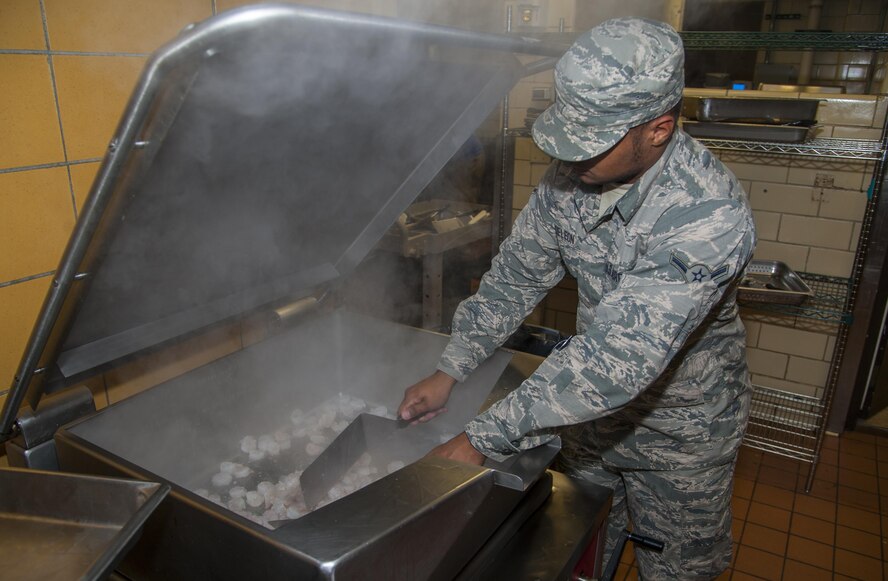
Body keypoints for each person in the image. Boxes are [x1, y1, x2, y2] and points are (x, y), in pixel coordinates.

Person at [397, 17, 756, 580]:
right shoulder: (574, 176)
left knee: (678, 571)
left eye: (591, 142)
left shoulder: (708, 214)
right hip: (586, 416)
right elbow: (517, 275)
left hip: (681, 429)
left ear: (658, 129)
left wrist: (480, 436)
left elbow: (620, 357)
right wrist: (452, 367)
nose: (570, 159)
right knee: (580, 550)